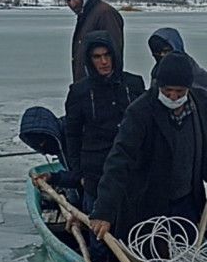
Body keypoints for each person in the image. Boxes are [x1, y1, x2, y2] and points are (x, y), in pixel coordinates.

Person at [90, 53, 207, 247]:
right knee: (149, 260)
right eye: (167, 91)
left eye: (179, 92)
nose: (173, 97)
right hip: (149, 204)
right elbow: (119, 160)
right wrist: (104, 211)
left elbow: (205, 146)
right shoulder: (140, 112)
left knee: (185, 258)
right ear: (158, 85)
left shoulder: (199, 105)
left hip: (187, 202)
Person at [52, 30, 145, 211]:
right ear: (89, 60)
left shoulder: (133, 84)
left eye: (107, 55)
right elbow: (72, 135)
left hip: (132, 170)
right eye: (97, 57)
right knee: (98, 229)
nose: (103, 62)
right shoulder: (79, 92)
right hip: (96, 174)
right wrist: (78, 173)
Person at [61, 0, 124, 83]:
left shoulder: (105, 14)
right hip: (86, 89)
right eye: (68, 0)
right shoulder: (86, 16)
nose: (72, 4)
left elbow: (114, 53)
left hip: (101, 90)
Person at [147, 27, 207, 100]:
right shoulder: (157, 71)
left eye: (166, 51)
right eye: (157, 53)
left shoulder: (190, 69)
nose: (162, 56)